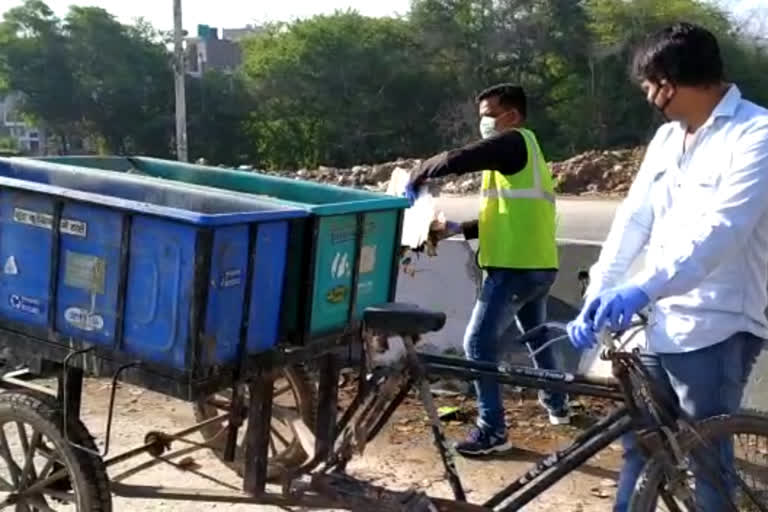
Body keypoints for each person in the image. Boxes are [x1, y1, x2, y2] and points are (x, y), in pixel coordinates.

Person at [567, 22, 768, 511]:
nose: (647, 94)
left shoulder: (755, 134)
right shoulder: (666, 140)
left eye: (650, 83)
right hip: (657, 320)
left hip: (715, 322)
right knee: (643, 444)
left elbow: (722, 230)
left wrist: (642, 288)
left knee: (706, 456)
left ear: (672, 79)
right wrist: (601, 288)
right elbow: (633, 220)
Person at [406, 83, 569, 456]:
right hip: (538, 263)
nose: (483, 122)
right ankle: (558, 405)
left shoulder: (512, 143)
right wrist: (457, 230)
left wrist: (418, 171)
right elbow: (508, 215)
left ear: (511, 115)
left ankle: (492, 430)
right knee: (537, 338)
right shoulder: (528, 153)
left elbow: (459, 158)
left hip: (513, 267)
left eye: (488, 114)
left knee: (478, 343)